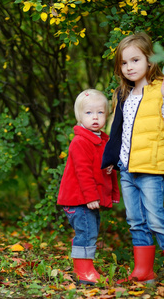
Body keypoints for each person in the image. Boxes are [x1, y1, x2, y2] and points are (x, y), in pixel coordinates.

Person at [101, 32, 164, 287]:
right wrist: (111, 159)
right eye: (124, 63)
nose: (129, 67)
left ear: (149, 60)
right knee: (135, 221)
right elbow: (117, 131)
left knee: (156, 220)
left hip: (150, 168)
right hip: (126, 169)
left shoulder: (161, 88)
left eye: (135, 60)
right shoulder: (122, 95)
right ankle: (143, 270)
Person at [57, 89, 120, 285]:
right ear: (79, 116)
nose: (95, 117)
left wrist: (110, 167)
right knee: (86, 232)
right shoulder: (80, 141)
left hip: (88, 199)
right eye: (89, 113)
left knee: (90, 231)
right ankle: (83, 271)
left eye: (100, 113)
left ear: (107, 115)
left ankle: (84, 267)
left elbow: (99, 169)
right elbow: (83, 173)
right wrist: (91, 196)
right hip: (80, 199)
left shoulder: (102, 141)